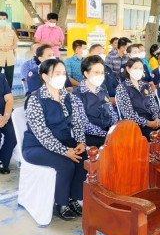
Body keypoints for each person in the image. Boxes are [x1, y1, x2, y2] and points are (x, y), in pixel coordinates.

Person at [23, 59, 87, 220]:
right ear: (45, 77)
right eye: (56, 73)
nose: (61, 76)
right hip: (36, 147)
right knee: (65, 164)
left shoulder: (67, 96)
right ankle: (61, 204)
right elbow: (42, 134)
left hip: (63, 141)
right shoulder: (35, 99)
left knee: (83, 158)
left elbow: (77, 122)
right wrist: (65, 151)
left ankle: (73, 198)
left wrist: (81, 142)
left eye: (63, 73)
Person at [73, 56, 118, 148]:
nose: (100, 75)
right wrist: (107, 135)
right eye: (96, 72)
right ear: (86, 73)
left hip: (108, 131)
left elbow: (111, 112)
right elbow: (84, 124)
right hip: (90, 135)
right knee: (116, 145)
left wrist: (115, 129)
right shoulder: (77, 94)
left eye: (102, 73)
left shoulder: (103, 89)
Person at [116, 58, 160, 140]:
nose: (138, 71)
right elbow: (128, 114)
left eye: (141, 68)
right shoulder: (122, 87)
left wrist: (156, 118)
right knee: (153, 138)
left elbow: (153, 104)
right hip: (136, 124)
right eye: (135, 68)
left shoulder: (146, 85)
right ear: (128, 69)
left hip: (152, 120)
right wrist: (147, 123)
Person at [0, 72, 16, 174]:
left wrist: (5, 117)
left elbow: (9, 99)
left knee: (13, 133)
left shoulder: (1, 77)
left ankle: (3, 161)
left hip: (4, 113)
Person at [0, 11, 18, 88]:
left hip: (9, 59)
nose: (2, 20)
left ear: (6, 20)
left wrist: (10, 47)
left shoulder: (11, 31)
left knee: (9, 79)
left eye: (4, 19)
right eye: (0, 19)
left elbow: (16, 44)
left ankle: (8, 96)